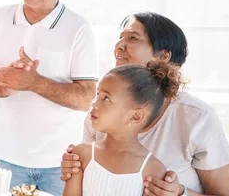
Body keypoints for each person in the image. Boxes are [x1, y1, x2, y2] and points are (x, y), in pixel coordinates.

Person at [61, 12, 229, 196]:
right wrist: (74, 169)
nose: (119, 46)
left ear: (163, 56)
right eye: (120, 37)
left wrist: (180, 193)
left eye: (132, 38)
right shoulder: (99, 114)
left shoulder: (197, 117)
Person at [0, 0, 98, 195]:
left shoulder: (78, 28)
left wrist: (33, 82)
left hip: (61, 161)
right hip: (8, 158)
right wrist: (8, 85)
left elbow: (88, 98)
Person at [63, 61, 181, 195]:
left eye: (106, 98)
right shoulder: (80, 156)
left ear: (136, 116)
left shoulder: (154, 171)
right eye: (98, 95)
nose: (94, 102)